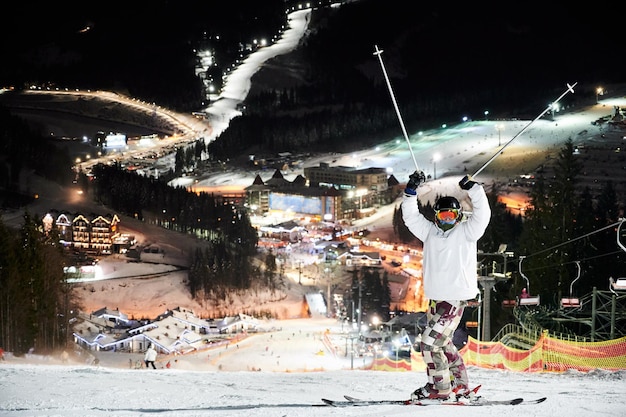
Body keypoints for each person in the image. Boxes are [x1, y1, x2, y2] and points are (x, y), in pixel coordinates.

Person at [401, 171, 491, 402]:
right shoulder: (429, 232)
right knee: (443, 343)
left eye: (452, 214)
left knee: (430, 343)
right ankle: (459, 386)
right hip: (435, 298)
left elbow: (483, 216)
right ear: (437, 216)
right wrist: (411, 192)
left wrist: (474, 189)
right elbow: (411, 217)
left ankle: (439, 387)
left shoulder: (467, 231)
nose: (448, 218)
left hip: (454, 297)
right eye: (443, 214)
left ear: (459, 215)